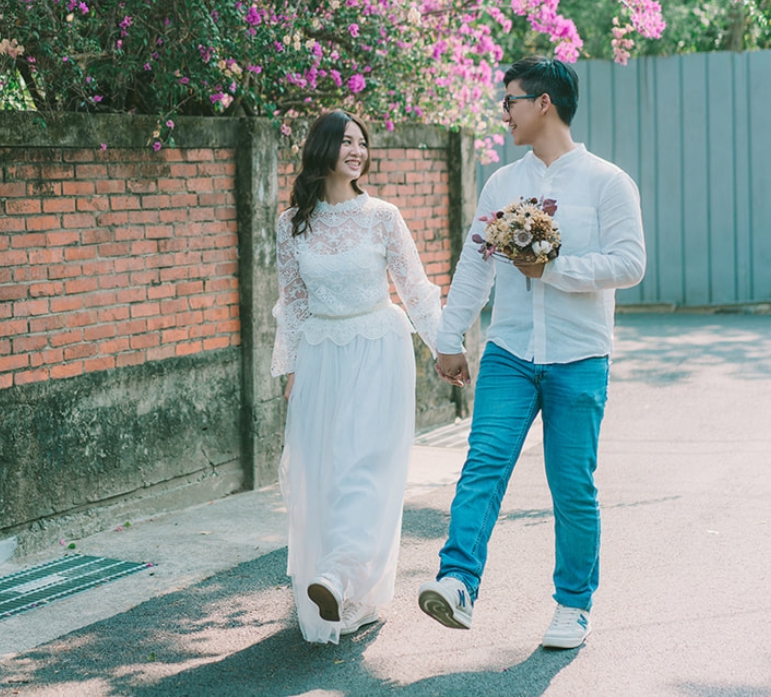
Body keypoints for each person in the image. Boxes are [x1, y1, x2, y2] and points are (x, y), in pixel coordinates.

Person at [418, 56, 645, 649]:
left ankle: (573, 605)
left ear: (543, 102)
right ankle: (458, 581)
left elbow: (630, 263)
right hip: (509, 353)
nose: (504, 112)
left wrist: (553, 268)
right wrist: (449, 339)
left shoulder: (607, 182)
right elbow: (475, 265)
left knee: (571, 485)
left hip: (579, 356)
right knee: (483, 466)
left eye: (511, 100)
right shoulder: (501, 184)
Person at [272, 108, 443, 644]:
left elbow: (414, 288)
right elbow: (293, 304)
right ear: (322, 148)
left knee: (365, 468)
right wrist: (291, 371)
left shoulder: (382, 216)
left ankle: (339, 575)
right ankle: (349, 597)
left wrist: (446, 348)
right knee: (323, 474)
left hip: (377, 349)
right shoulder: (290, 224)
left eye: (361, 142)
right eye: (346, 141)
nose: (357, 150)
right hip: (321, 357)